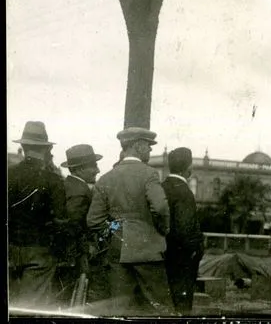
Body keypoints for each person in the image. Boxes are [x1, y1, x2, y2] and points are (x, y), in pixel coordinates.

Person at [87, 127, 174, 315]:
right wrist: (162, 230)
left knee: (121, 309)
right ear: (138, 146)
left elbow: (94, 221)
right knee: (159, 307)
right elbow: (159, 207)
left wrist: (118, 227)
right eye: (149, 147)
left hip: (118, 250)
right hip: (148, 249)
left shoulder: (105, 178)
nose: (151, 151)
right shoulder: (149, 174)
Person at [9, 121, 68, 310]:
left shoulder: (9, 174)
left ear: (23, 147)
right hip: (39, 251)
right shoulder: (53, 180)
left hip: (10, 249)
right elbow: (60, 219)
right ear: (46, 148)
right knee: (31, 308)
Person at [57, 144, 111, 306]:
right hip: (76, 256)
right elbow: (72, 226)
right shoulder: (80, 191)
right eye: (93, 166)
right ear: (80, 169)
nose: (98, 170)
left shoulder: (69, 185)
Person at [162, 147, 205, 315]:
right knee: (182, 304)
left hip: (164, 253)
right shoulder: (185, 192)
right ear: (188, 168)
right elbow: (185, 228)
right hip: (182, 259)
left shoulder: (162, 187)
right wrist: (196, 249)